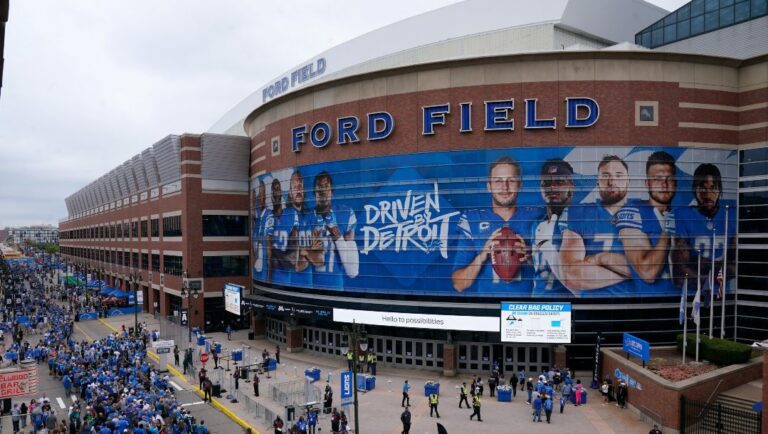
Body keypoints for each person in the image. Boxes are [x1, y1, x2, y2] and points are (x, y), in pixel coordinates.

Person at [452, 156, 541, 294]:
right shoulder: (473, 220)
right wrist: (482, 255)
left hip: (526, 308)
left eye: (510, 180)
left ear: (520, 184)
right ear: (489, 186)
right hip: (489, 307)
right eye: (498, 181)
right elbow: (459, 284)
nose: (504, 187)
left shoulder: (538, 217)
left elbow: (557, 272)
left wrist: (532, 255)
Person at [558, 155, 632, 295]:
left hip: (638, 306)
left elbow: (653, 268)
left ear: (628, 181)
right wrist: (634, 274)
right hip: (592, 307)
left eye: (619, 175)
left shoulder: (645, 213)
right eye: (606, 176)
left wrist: (599, 259)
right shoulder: (577, 213)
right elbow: (572, 275)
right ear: (598, 182)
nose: (612, 181)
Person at [617, 151, 678, 295]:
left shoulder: (682, 213)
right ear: (647, 183)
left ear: (675, 182)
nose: (664, 184)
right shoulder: (634, 212)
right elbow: (648, 272)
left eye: (669, 178)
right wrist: (667, 230)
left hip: (684, 301)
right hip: (647, 303)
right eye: (657, 179)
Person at [673, 163, 736, 290]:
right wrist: (719, 269)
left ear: (720, 190)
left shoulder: (731, 215)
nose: (708, 194)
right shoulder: (683, 215)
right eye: (702, 188)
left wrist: (697, 261)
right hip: (690, 297)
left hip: (722, 298)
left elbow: (735, 267)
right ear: (694, 190)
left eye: (713, 188)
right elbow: (679, 275)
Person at [532, 158, 575, 295]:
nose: (553, 187)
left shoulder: (580, 221)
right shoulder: (536, 225)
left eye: (560, 182)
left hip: (570, 307)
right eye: (547, 182)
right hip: (537, 306)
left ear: (571, 187)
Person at [312, 171, 360, 289]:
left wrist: (336, 234)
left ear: (332, 191)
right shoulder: (305, 217)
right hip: (309, 288)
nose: (323, 191)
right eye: (320, 187)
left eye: (326, 186)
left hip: (335, 288)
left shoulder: (346, 213)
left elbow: (352, 271)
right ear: (314, 192)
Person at [266, 177, 298, 284]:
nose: (276, 192)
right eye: (274, 189)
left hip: (288, 277)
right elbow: (267, 247)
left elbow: (294, 250)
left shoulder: (291, 213)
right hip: (273, 278)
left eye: (278, 189)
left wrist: (277, 253)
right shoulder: (269, 216)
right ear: (271, 193)